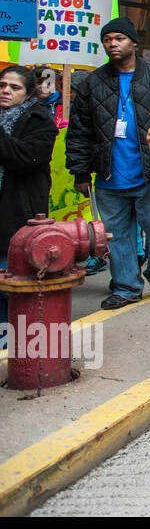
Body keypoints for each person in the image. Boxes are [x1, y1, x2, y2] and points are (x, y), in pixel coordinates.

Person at [67, 17, 150, 310]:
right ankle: (126, 286)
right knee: (116, 236)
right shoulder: (93, 83)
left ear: (134, 42)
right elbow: (79, 131)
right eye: (107, 39)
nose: (113, 44)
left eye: (119, 38)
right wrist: (81, 171)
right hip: (109, 176)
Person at [0, 65, 58, 349]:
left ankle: (16, 333)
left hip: (18, 209)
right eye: (2, 85)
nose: (6, 91)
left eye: (14, 87)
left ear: (27, 93)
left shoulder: (39, 120)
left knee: (12, 277)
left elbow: (26, 157)